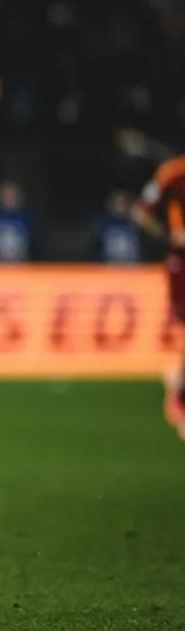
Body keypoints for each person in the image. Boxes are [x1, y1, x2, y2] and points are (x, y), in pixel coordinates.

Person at [131, 156, 185, 437]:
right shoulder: (172, 174)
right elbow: (141, 212)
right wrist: (170, 236)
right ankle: (180, 396)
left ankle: (178, 383)